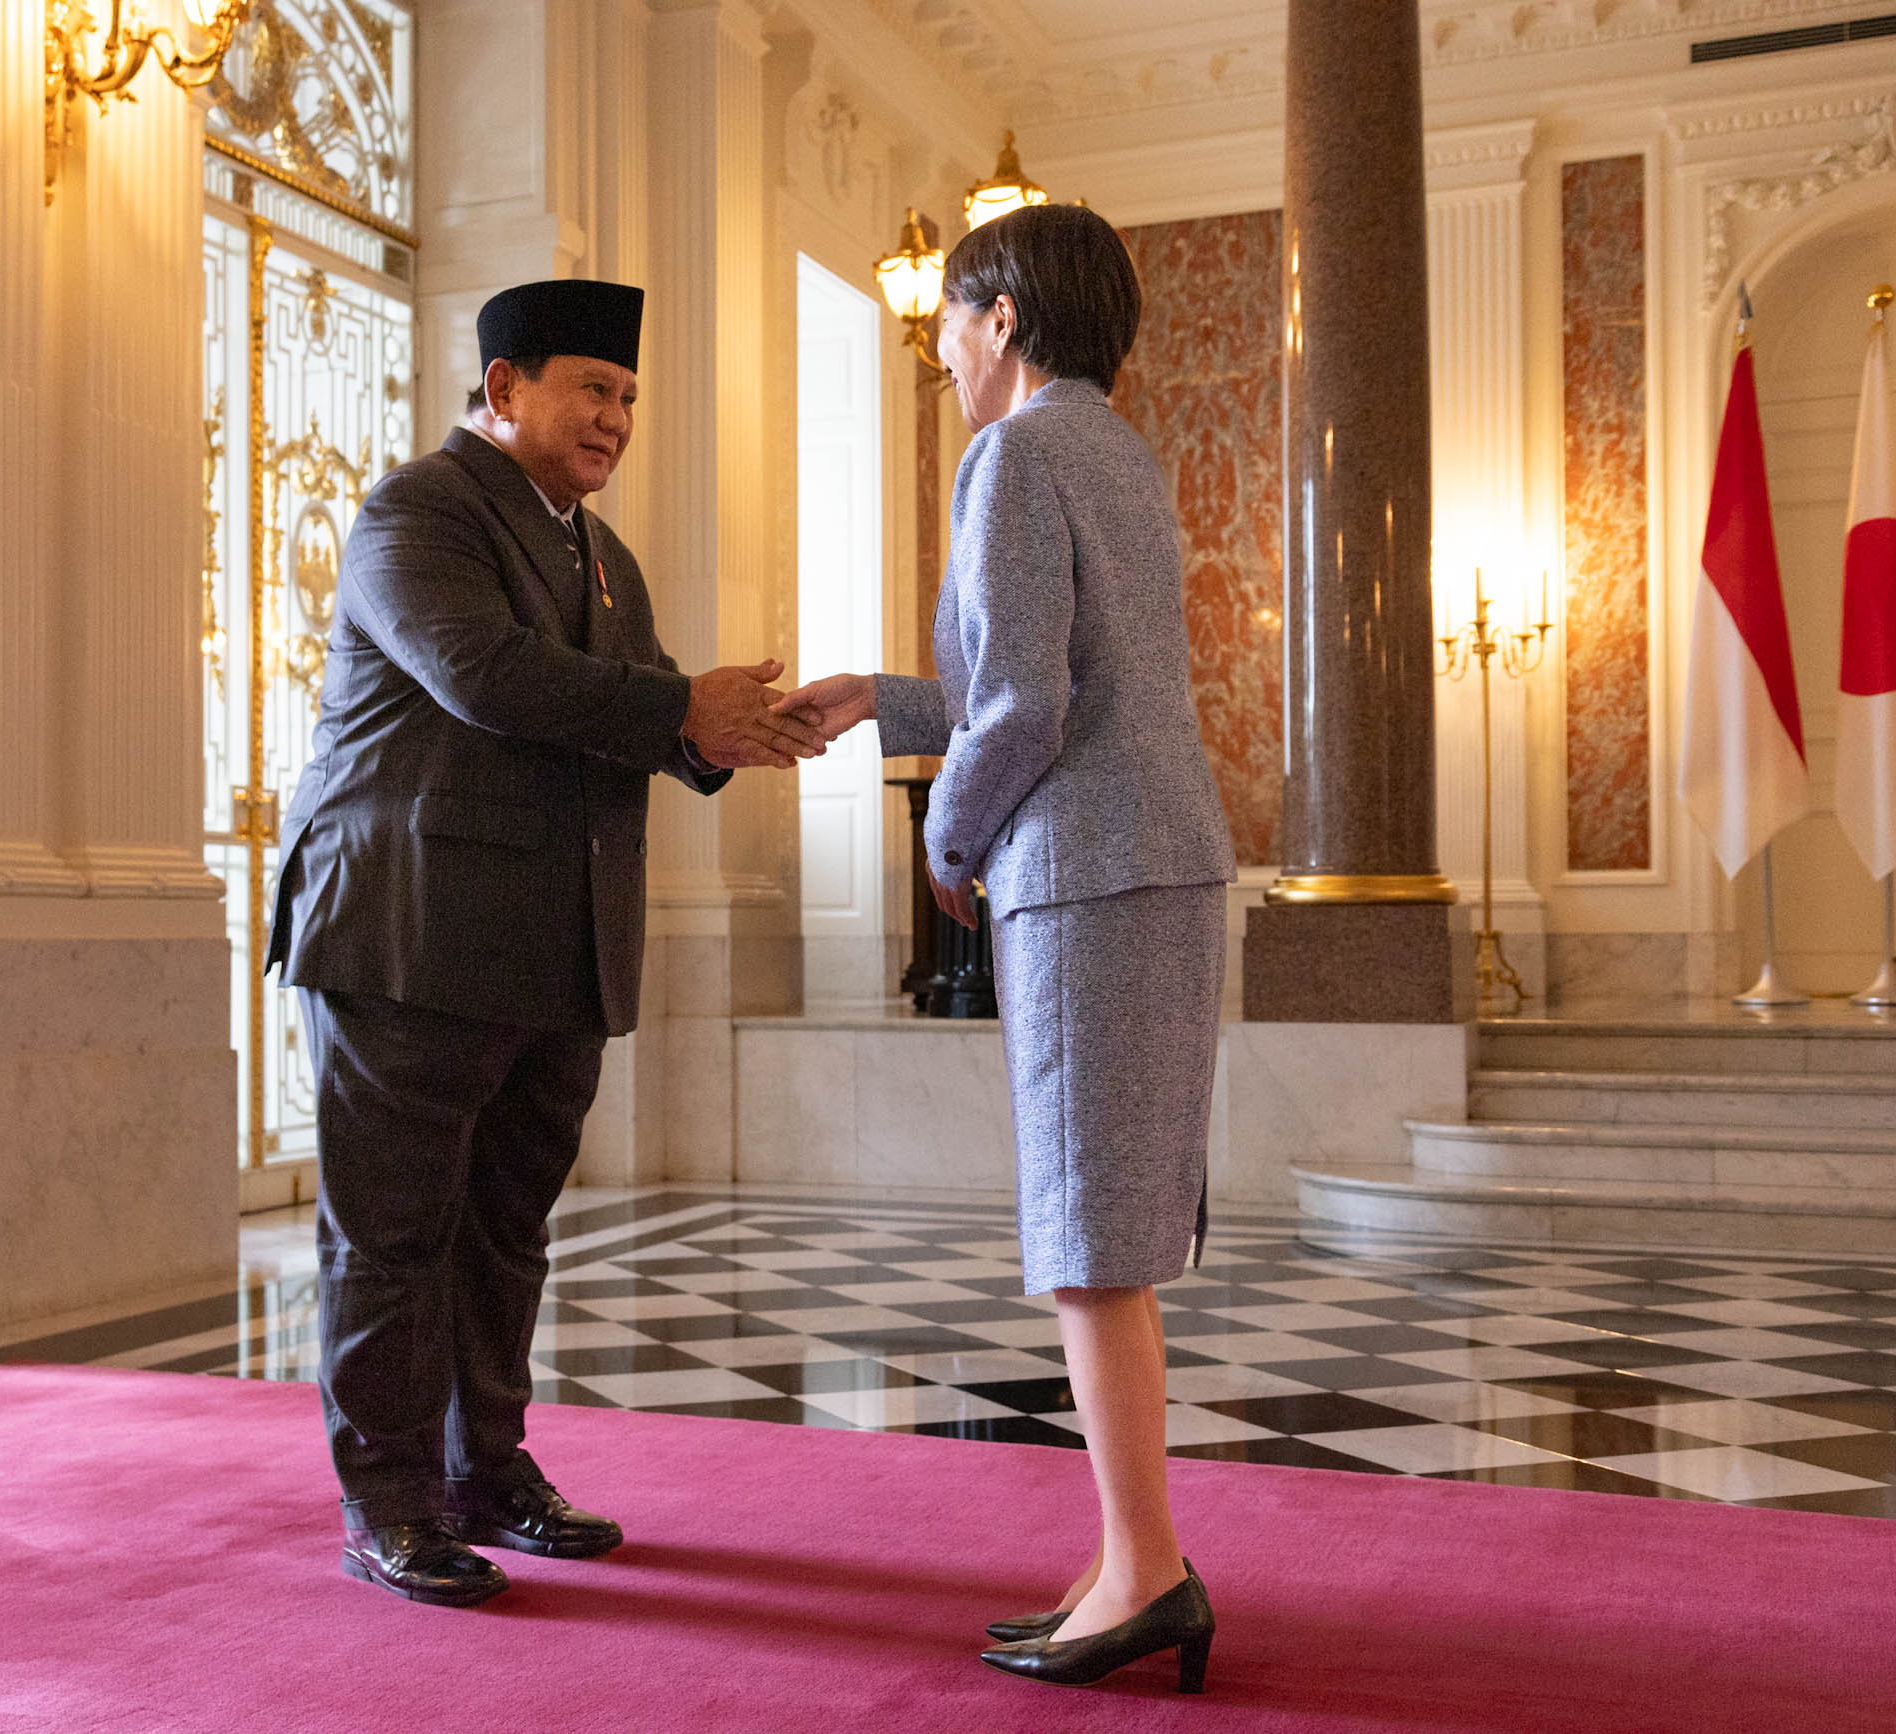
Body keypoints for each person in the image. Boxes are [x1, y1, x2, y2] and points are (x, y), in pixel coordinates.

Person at [267, 278, 825, 1609]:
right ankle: (390, 1500)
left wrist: (732, 730)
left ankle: (487, 1470)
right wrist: (680, 708)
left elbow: (632, 713)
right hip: (405, 931)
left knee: (506, 1230)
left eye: (628, 395)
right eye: (593, 388)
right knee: (395, 1236)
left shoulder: (602, 554)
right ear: (505, 387)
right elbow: (486, 675)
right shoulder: (418, 512)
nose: (616, 417)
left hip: (553, 948)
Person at [777, 203, 1235, 1692]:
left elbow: (1029, 707)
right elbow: (1056, 682)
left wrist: (948, 837)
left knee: (1089, 1237)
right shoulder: (1116, 450)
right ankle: (1123, 1557)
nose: (948, 358)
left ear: (1005, 319)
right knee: (1108, 1229)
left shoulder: (1014, 454)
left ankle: (1147, 1572)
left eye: (952, 328)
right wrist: (882, 697)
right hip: (1157, 858)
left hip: (1086, 873)